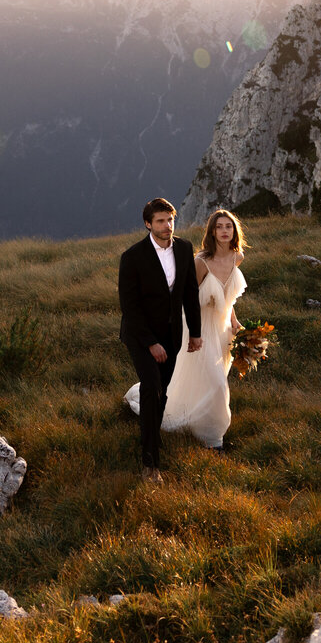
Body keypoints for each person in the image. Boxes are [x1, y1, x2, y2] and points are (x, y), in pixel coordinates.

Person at [118, 197, 202, 481]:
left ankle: (150, 435)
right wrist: (150, 342)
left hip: (172, 334)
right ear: (147, 224)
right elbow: (129, 308)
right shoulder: (133, 257)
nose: (167, 226)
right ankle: (150, 462)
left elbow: (190, 294)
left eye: (170, 220)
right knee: (151, 386)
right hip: (141, 335)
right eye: (160, 222)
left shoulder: (185, 249)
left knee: (161, 392)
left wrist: (196, 333)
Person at [158, 208, 247, 450]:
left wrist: (234, 321)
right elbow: (186, 297)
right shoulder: (201, 262)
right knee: (218, 383)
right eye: (219, 227)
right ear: (212, 232)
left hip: (222, 330)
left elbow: (228, 296)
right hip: (198, 327)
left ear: (234, 230)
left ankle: (196, 420)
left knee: (208, 380)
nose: (224, 231)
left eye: (228, 226)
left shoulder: (237, 257)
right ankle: (213, 439)